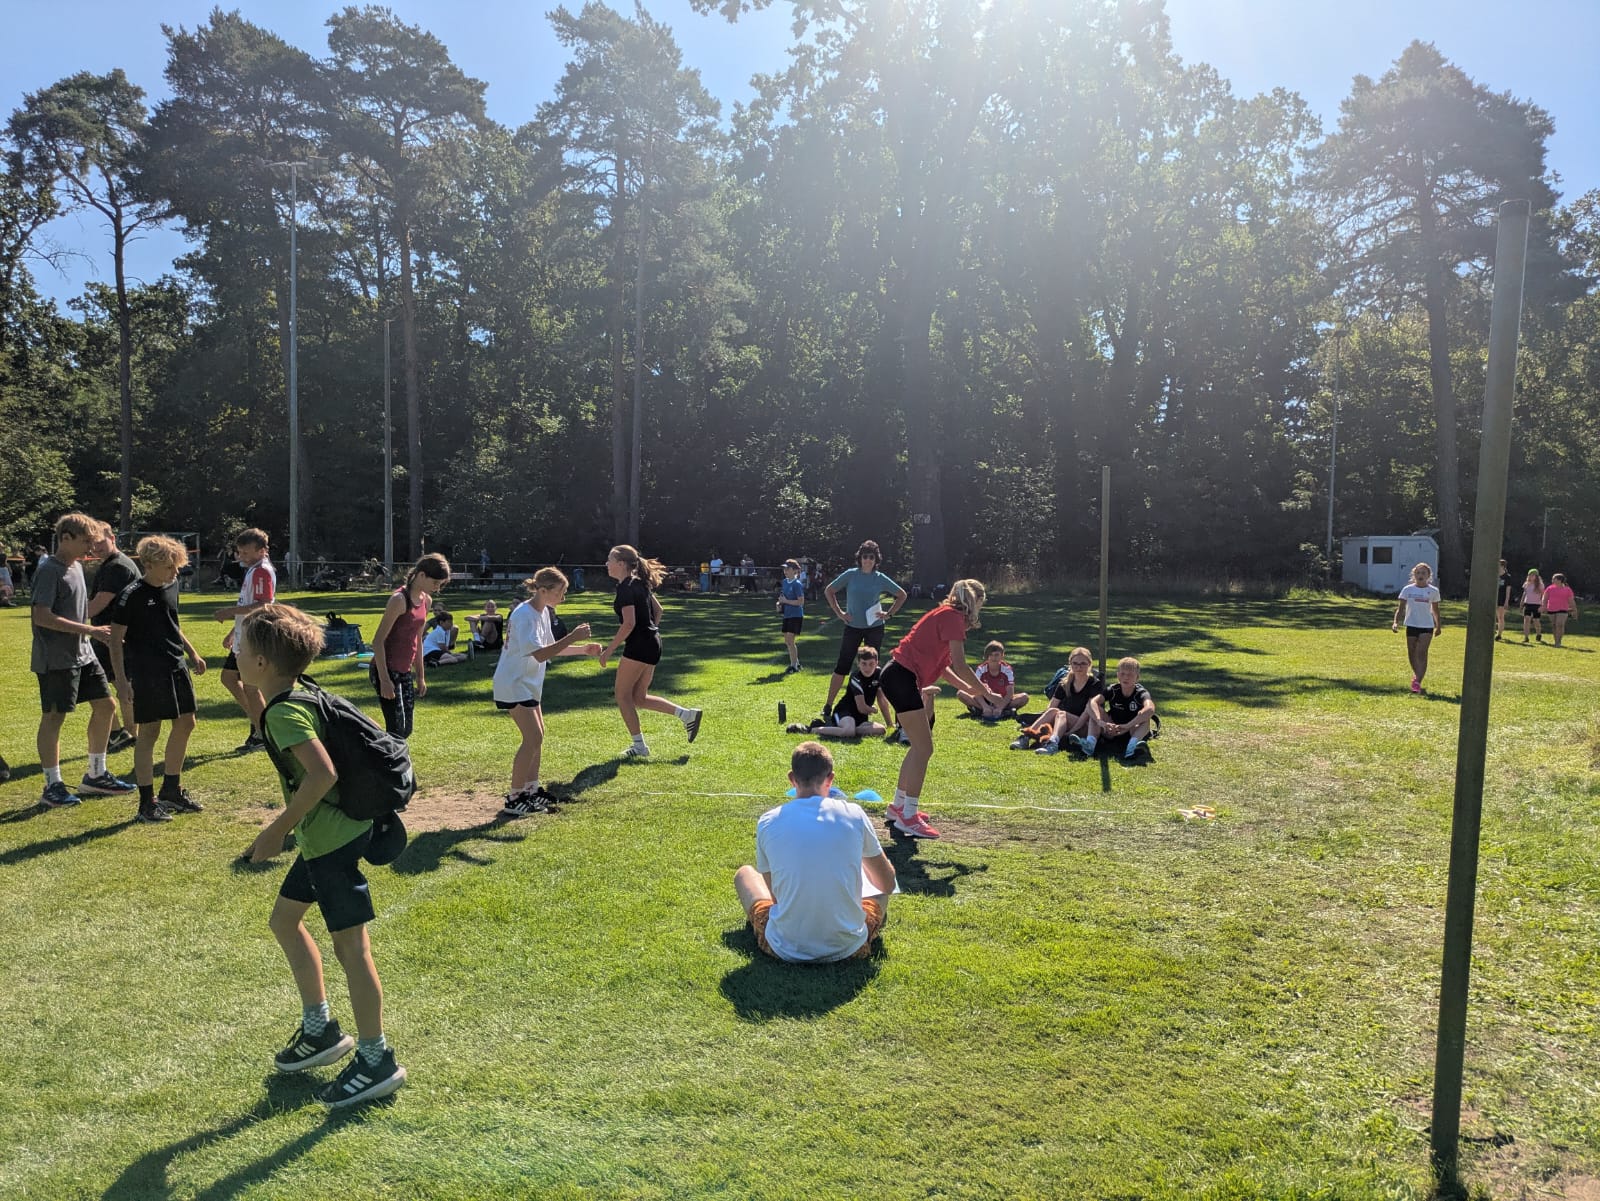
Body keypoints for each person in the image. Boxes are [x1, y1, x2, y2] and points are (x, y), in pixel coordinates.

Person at [242, 603, 407, 1110]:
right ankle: (321, 1030)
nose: (235, 653)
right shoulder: (302, 692)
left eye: (240, 647)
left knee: (352, 949)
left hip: (333, 841)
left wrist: (276, 832)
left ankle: (376, 1059)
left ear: (263, 663)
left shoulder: (284, 712)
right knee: (284, 921)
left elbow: (322, 775)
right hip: (331, 836)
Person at [733, 741, 896, 963]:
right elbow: (887, 884)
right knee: (878, 887)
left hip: (783, 947)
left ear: (792, 778)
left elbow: (776, 897)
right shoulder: (854, 814)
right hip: (850, 947)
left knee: (745, 873)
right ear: (830, 778)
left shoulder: (768, 821)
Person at [879, 580, 997, 839]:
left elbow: (945, 668)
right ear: (975, 601)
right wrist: (986, 693)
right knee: (924, 748)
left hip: (897, 676)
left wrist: (973, 691)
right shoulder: (953, 617)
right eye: (981, 603)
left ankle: (899, 807)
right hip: (901, 677)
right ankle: (908, 816)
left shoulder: (946, 615)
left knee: (918, 747)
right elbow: (961, 665)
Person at [31, 513, 133, 809]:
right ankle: (52, 786)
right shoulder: (49, 570)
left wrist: (89, 636)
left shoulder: (75, 566)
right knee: (54, 717)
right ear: (66, 538)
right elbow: (41, 616)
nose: (91, 547)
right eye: (86, 541)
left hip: (83, 654)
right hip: (56, 658)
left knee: (106, 706)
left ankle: (96, 775)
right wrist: (91, 630)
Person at [107, 536, 207, 822]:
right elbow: (115, 641)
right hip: (148, 672)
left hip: (176, 665)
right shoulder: (131, 595)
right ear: (148, 565)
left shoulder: (171, 585)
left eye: (177, 567)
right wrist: (122, 681)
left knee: (187, 723)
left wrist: (192, 653)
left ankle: (171, 791)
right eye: (169, 567)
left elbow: (172, 622)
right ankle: (146, 803)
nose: (175, 573)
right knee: (149, 732)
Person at [493, 568, 603, 816]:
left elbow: (550, 647)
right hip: (513, 682)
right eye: (560, 592)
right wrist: (573, 636)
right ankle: (514, 798)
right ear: (543, 590)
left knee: (538, 737)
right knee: (532, 738)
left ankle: (531, 790)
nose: (563, 597)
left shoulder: (542, 611)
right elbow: (541, 654)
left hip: (528, 682)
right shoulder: (524, 615)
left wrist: (582, 649)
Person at [598, 544, 703, 758]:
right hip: (653, 643)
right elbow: (659, 611)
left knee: (622, 695)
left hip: (639, 646)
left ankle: (639, 746)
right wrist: (649, 632)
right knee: (639, 697)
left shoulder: (626, 588)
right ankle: (687, 715)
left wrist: (608, 650)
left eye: (610, 560)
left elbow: (629, 623)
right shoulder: (640, 583)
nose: (606, 564)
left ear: (621, 564)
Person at [821, 541, 909, 717]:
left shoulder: (879, 577)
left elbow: (901, 595)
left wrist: (889, 614)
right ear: (860, 558)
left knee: (873, 668)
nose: (868, 560)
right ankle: (828, 705)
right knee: (843, 665)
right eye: (865, 556)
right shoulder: (851, 574)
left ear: (876, 560)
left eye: (871, 557)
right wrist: (839, 613)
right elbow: (829, 591)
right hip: (852, 627)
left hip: (874, 628)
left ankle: (875, 708)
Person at [368, 554, 451, 739]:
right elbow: (377, 641)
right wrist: (384, 680)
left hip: (404, 670)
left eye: (440, 584)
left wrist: (420, 676)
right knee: (396, 729)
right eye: (435, 583)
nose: (437, 588)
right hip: (386, 669)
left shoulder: (426, 601)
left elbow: (417, 639)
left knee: (406, 730)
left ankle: (387, 751)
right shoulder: (399, 600)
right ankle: (382, 754)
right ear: (421, 575)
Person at [214, 528, 276, 753]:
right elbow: (248, 602)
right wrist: (234, 631)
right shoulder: (252, 570)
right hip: (244, 635)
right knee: (229, 677)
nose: (242, 557)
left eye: (246, 553)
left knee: (251, 687)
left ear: (262, 551)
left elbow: (263, 605)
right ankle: (257, 721)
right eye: (240, 552)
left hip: (254, 637)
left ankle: (262, 733)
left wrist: (229, 611)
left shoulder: (261, 571)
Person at [87, 523, 143, 754]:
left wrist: (67, 617)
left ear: (112, 538)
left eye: (100, 542)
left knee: (106, 683)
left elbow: (98, 604)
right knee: (115, 683)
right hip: (110, 634)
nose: (95, 548)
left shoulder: (117, 566)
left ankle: (126, 733)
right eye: (91, 544)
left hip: (113, 634)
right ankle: (126, 733)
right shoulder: (112, 564)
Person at [1017, 647, 1102, 753]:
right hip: (1062, 722)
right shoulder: (1065, 683)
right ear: (1070, 664)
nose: (1078, 667)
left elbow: (1088, 712)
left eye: (1083, 664)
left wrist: (1070, 732)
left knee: (1061, 714)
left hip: (1084, 726)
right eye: (1075, 663)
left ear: (1089, 664)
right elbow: (1051, 707)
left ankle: (1053, 744)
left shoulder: (1094, 684)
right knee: (1054, 711)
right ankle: (1026, 737)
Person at [1069, 657, 1157, 759]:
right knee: (1094, 710)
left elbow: (1150, 708)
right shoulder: (1113, 689)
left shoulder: (1141, 693)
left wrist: (1127, 726)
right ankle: (1089, 745)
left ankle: (1132, 747)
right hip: (1112, 730)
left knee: (1146, 718)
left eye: (1130, 675)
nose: (1126, 677)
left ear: (1137, 677)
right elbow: (1092, 703)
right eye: (1122, 674)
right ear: (1117, 675)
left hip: (1131, 730)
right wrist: (1101, 722)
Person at [812, 645, 892, 738]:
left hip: (861, 718)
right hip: (844, 712)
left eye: (871, 664)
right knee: (849, 731)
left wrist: (889, 724)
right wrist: (873, 710)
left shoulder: (879, 674)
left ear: (877, 663)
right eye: (864, 663)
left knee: (881, 730)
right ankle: (814, 729)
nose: (867, 668)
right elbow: (862, 708)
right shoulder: (855, 677)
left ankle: (849, 730)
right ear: (858, 663)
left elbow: (882, 700)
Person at [959, 640, 1028, 719]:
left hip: (1002, 700)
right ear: (986, 656)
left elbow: (1010, 693)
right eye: (990, 655)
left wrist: (1000, 707)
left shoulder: (1007, 669)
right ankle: (987, 710)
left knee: (1024, 697)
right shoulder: (981, 669)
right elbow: (976, 690)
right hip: (984, 699)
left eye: (996, 655)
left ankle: (991, 711)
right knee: (960, 693)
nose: (993, 658)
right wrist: (985, 706)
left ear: (1002, 655)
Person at [777, 558, 806, 673]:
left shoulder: (797, 584)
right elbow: (783, 596)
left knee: (790, 640)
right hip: (787, 615)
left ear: (794, 571)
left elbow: (800, 602)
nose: (785, 571)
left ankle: (793, 666)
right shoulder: (784, 582)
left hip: (796, 615)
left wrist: (786, 601)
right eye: (784, 569)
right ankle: (796, 663)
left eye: (787, 569)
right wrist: (779, 603)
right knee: (787, 641)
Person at [1541, 572, 1579, 647]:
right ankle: (1556, 641)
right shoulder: (1549, 588)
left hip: (1563, 609)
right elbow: (1544, 598)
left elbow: (1571, 601)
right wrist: (1544, 606)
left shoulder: (1567, 589)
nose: (1552, 580)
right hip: (1551, 609)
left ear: (1559, 580)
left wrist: (1574, 610)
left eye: (1554, 579)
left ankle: (1559, 641)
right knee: (1554, 625)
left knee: (1560, 624)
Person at [1521, 569, 1546, 643]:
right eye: (1530, 575)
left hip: (1537, 604)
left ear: (1536, 576)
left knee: (1536, 620)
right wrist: (1522, 602)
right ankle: (1526, 637)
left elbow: (1543, 595)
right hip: (1528, 603)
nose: (1531, 577)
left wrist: (1542, 605)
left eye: (1533, 575)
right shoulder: (1526, 584)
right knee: (1526, 620)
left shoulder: (1540, 585)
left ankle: (1538, 634)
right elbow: (1524, 593)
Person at [1494, 559, 1516, 641]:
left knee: (1500, 617)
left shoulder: (1507, 577)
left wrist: (1506, 601)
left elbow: (1508, 590)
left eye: (1499, 565)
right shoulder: (1494, 575)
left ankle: (1499, 634)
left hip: (1502, 599)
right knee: (1494, 616)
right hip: (1495, 598)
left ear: (1503, 566)